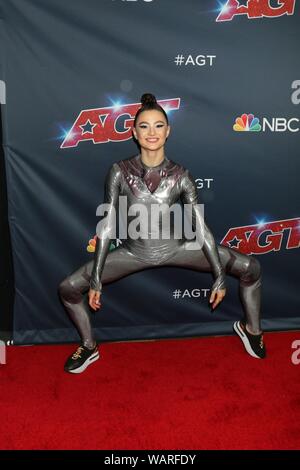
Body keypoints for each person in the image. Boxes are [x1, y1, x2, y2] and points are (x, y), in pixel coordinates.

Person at [58, 93, 266, 374]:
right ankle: (89, 345)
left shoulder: (182, 175)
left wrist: (218, 274)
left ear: (168, 131)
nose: (151, 132)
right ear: (134, 132)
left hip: (178, 248)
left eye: (158, 125)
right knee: (68, 289)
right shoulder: (118, 171)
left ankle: (252, 329)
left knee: (250, 267)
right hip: (133, 252)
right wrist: (96, 278)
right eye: (144, 126)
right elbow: (107, 223)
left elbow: (199, 226)